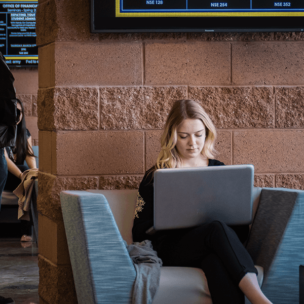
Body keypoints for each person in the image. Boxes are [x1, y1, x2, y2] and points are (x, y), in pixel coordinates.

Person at [132, 100, 272, 304]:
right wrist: (162, 222)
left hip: (212, 245)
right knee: (215, 229)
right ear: (172, 136)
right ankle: (260, 300)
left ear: (207, 133)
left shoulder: (220, 171)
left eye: (198, 135)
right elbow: (138, 231)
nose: (193, 143)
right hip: (172, 249)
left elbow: (241, 232)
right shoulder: (156, 176)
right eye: (184, 136)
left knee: (216, 262)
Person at [4, 99, 36, 242]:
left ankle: (27, 232)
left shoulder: (25, 133)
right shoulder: (2, 132)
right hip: (4, 176)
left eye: (19, 112)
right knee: (25, 172)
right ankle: (27, 231)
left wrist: (34, 174)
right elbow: (5, 160)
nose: (16, 115)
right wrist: (23, 174)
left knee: (31, 179)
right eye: (13, 111)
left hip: (19, 179)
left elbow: (30, 157)